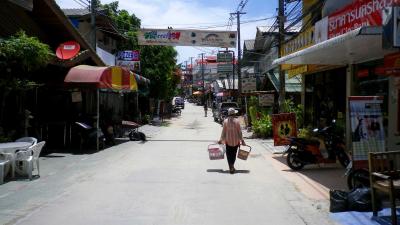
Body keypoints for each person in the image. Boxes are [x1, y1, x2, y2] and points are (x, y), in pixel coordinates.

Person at [218, 108, 245, 174]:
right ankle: (232, 166)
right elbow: (239, 132)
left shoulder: (225, 121)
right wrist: (242, 140)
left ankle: (231, 166)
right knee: (234, 154)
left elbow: (223, 132)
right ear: (234, 113)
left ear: (228, 114)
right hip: (236, 141)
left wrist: (221, 139)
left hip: (228, 141)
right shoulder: (237, 121)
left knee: (228, 154)